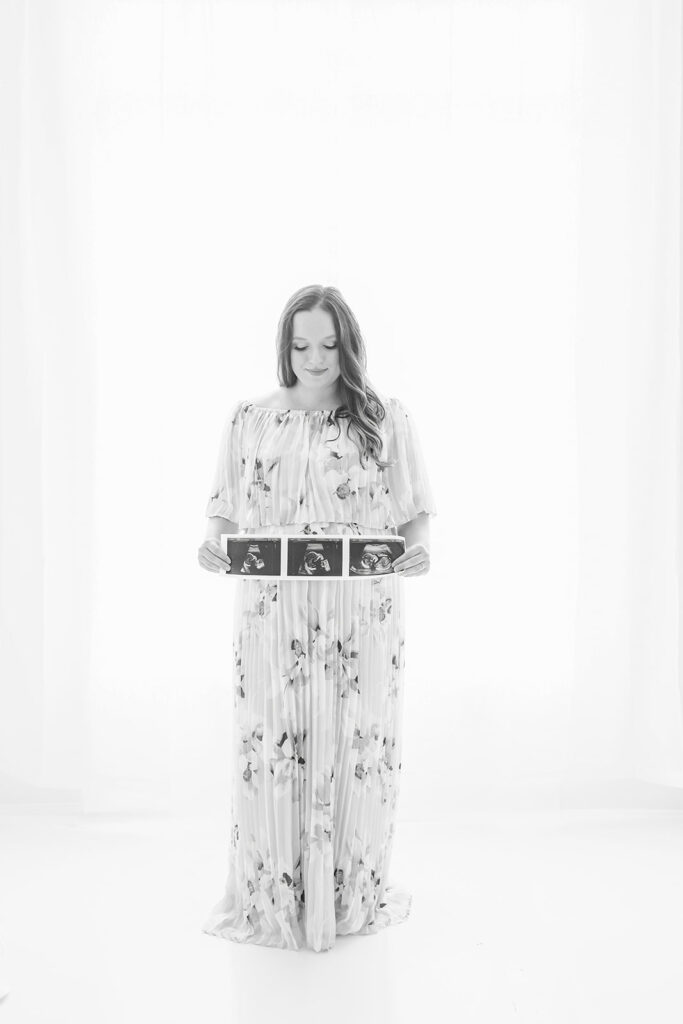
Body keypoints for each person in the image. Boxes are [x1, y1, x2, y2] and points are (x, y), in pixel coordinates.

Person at [197, 284, 437, 953]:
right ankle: (273, 895)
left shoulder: (384, 417)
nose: (315, 357)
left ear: (348, 346)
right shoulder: (250, 417)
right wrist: (213, 546)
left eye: (329, 344)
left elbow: (414, 510)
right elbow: (223, 508)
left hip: (361, 608)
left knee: (357, 744)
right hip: (272, 610)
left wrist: (418, 552)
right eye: (301, 344)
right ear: (285, 346)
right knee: (272, 743)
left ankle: (346, 892)